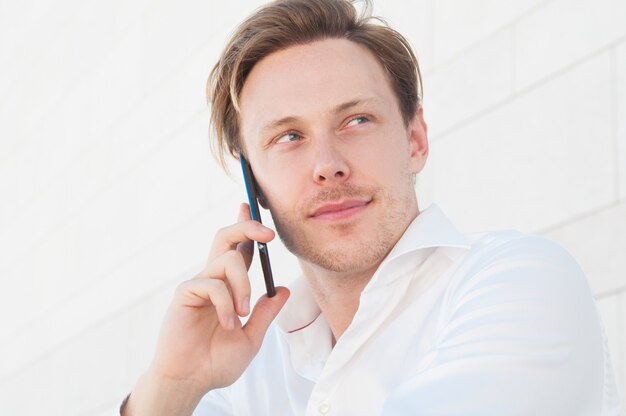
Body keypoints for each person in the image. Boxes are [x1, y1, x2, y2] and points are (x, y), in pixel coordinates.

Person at [121, 0, 623, 414]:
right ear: (253, 182)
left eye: (357, 120)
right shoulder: (241, 371)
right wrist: (172, 386)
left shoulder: (519, 281)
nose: (328, 165)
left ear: (415, 139)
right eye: (289, 136)